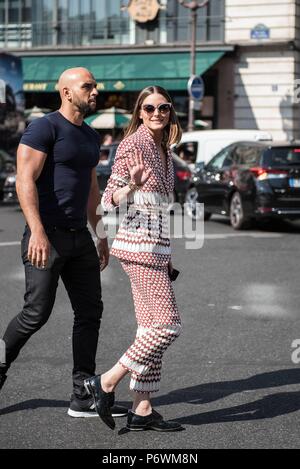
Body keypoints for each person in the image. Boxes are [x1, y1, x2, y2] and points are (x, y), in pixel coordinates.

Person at [0, 67, 127, 419]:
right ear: (67, 92)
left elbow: (91, 190)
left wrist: (100, 235)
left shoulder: (89, 135)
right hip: (48, 236)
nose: (95, 91)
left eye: (95, 86)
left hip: (79, 239)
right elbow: (25, 179)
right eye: (88, 86)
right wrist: (36, 231)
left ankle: (82, 394)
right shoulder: (45, 127)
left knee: (90, 313)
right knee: (34, 314)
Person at [84, 85, 184, 432]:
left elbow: (161, 211)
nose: (158, 113)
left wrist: (167, 254)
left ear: (171, 112)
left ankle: (142, 408)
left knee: (149, 328)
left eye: (165, 108)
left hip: (155, 248)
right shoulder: (133, 144)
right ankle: (106, 382)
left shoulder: (164, 149)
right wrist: (132, 187)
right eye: (150, 108)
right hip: (139, 248)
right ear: (140, 112)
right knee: (168, 325)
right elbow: (109, 199)